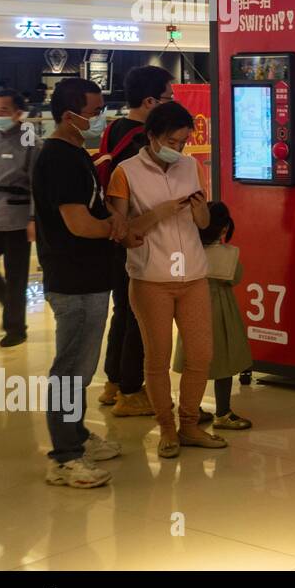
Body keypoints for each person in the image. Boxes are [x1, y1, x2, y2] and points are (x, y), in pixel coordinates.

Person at [107, 101, 222, 459]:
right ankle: (167, 429)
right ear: (152, 136)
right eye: (174, 141)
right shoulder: (125, 172)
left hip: (193, 274)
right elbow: (120, 231)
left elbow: (203, 225)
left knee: (201, 355)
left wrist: (201, 211)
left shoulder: (192, 166)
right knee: (157, 358)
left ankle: (190, 424)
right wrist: (158, 213)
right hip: (151, 277)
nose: (181, 148)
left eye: (185, 141)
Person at [34, 78, 126, 488]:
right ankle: (63, 457)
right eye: (94, 110)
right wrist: (116, 229)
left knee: (83, 367)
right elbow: (79, 222)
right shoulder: (58, 158)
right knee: (70, 370)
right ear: (70, 113)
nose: (99, 117)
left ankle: (77, 435)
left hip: (90, 276)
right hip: (70, 278)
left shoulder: (78, 153)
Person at [97, 65, 173, 417]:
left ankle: (113, 383)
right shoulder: (143, 141)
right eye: (168, 99)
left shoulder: (114, 129)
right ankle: (130, 390)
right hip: (135, 236)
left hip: (112, 237)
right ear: (149, 101)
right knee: (139, 314)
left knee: (123, 310)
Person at [173, 201, 252, 429]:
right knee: (223, 363)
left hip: (191, 309)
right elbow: (235, 277)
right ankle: (223, 412)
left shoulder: (187, 251)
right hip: (220, 310)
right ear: (224, 228)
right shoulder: (228, 255)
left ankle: (192, 409)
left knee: (193, 362)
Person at [0, 89, 39, 347]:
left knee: (17, 275)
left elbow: (38, 182)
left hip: (17, 215)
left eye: (3, 111)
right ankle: (10, 305)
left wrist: (34, 218)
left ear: (18, 113)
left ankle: (16, 327)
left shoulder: (28, 138)